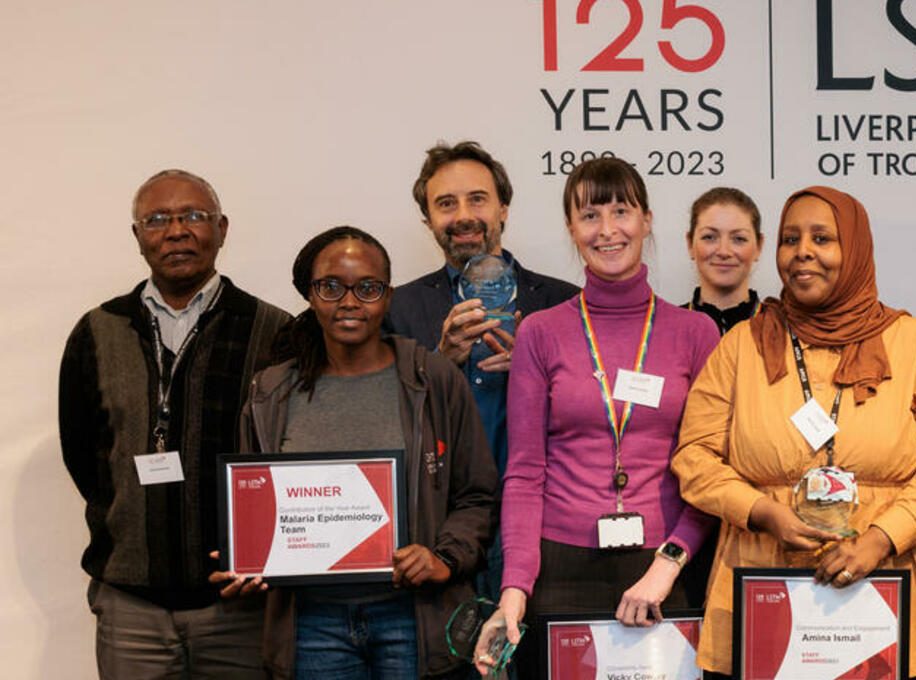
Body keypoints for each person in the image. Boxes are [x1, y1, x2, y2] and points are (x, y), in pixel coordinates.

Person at [671, 186, 916, 679]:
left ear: (854, 249)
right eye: (791, 239)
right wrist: (762, 511)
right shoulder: (741, 345)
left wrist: (881, 538)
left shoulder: (911, 343)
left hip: (883, 586)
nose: (803, 252)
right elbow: (695, 457)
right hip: (762, 587)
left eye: (822, 238)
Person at [473, 158, 720, 675]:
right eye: (589, 215)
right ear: (571, 228)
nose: (607, 230)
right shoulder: (542, 332)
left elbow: (710, 470)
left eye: (621, 211)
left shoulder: (695, 333)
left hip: (666, 564)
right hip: (560, 568)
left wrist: (668, 564)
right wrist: (514, 592)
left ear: (647, 220)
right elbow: (524, 474)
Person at [228, 226, 498, 679]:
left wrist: (444, 558)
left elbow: (478, 495)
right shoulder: (271, 392)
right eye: (331, 287)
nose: (349, 301)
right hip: (311, 625)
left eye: (367, 288)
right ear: (311, 296)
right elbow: (254, 502)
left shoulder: (433, 378)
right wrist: (247, 556)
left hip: (413, 619)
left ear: (387, 297)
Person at [59, 169, 290, 678]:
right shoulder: (97, 331)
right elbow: (82, 453)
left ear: (222, 228)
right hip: (130, 604)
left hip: (239, 606)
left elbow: (289, 457)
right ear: (138, 236)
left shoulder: (274, 331)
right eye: (158, 219)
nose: (177, 230)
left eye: (193, 216)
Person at [387, 141, 581, 601]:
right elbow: (380, 423)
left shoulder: (564, 303)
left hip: (546, 526)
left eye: (477, 198)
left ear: (504, 209)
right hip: (439, 533)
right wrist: (440, 364)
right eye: (445, 204)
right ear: (428, 220)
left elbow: (598, 417)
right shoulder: (399, 309)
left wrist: (540, 375)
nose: (463, 215)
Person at [683, 187, 764, 334]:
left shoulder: (782, 329)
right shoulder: (666, 329)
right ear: (690, 244)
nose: (723, 251)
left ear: (759, 246)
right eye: (709, 237)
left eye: (739, 239)